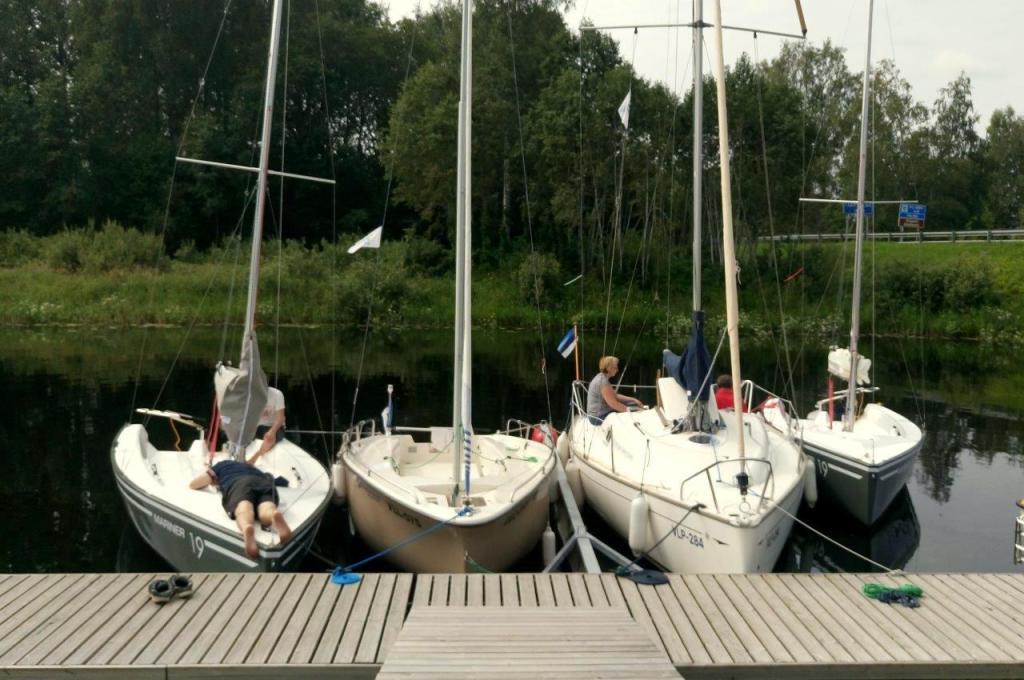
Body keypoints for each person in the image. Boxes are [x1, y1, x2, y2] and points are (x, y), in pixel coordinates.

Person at [189, 460, 291, 559]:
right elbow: (283, 482)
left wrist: (212, 480)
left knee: (244, 509)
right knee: (267, 508)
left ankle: (246, 527)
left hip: (239, 483)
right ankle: (272, 516)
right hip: (264, 483)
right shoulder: (255, 469)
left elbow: (194, 484)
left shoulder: (222, 465)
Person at [586, 355, 644, 424]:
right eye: (615, 367)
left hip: (600, 413)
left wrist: (633, 400)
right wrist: (631, 410)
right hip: (598, 417)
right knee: (633, 411)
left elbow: (615, 396)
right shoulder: (602, 382)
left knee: (633, 404)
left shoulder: (602, 378)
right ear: (609, 368)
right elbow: (613, 404)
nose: (617, 370)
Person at [252, 385, 286, 461]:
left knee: (269, 438)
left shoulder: (277, 394)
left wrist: (272, 432)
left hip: (275, 426)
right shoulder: (249, 395)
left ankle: (253, 459)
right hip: (257, 427)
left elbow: (280, 418)